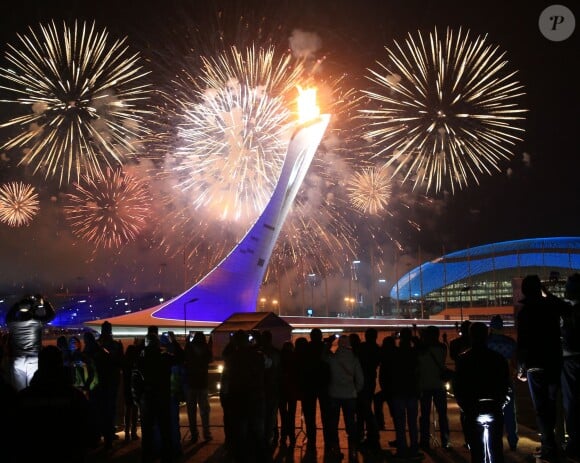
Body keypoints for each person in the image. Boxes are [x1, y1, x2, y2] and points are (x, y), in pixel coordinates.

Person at [15, 345, 96, 463]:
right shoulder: (75, 396)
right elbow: (91, 434)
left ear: (40, 364)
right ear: (61, 364)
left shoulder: (23, 397)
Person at [517, 274, 566, 462]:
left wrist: (521, 368)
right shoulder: (550, 308)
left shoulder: (525, 312)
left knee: (541, 408)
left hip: (535, 364)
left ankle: (548, 446)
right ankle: (553, 443)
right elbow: (566, 308)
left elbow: (522, 343)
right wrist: (548, 294)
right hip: (553, 361)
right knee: (553, 405)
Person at [454, 322, 510, 463]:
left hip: (473, 408)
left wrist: (464, 406)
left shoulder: (463, 359)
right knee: (496, 449)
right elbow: (506, 384)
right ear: (487, 336)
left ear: (471, 336)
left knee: (477, 452)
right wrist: (502, 401)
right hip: (494, 406)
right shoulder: (498, 358)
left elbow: (458, 386)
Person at [324, 334, 364, 462]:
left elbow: (323, 359)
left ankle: (336, 450)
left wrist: (328, 344)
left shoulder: (332, 358)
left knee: (333, 423)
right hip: (350, 395)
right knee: (350, 423)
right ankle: (352, 450)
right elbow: (360, 380)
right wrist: (355, 390)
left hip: (334, 395)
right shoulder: (354, 358)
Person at [6, 294, 55, 391]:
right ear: (32, 311)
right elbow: (51, 315)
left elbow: (8, 316)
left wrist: (18, 304)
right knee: (33, 388)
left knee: (19, 390)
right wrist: (44, 302)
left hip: (18, 359)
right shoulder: (37, 322)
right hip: (34, 358)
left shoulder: (13, 323)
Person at [486, 315, 519, 451]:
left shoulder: (486, 343)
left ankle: (494, 441)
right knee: (510, 411)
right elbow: (515, 362)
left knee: (493, 412)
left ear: (491, 328)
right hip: (506, 380)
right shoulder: (510, 342)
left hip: (490, 381)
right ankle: (512, 440)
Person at [389, 327, 421, 459]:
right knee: (413, 423)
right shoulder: (414, 352)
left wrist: (393, 338)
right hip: (412, 390)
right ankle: (414, 448)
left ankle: (402, 449)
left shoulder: (395, 352)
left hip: (398, 391)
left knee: (400, 423)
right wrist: (416, 338)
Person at [417, 325, 451, 450]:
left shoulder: (421, 349)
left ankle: (424, 440)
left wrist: (421, 338)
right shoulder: (442, 348)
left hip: (425, 385)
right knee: (442, 415)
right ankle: (445, 440)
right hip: (438, 385)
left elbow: (419, 355)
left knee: (424, 416)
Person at [560, 273, 580, 459]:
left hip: (571, 361)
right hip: (571, 360)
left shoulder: (570, 311)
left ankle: (574, 443)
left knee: (572, 403)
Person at [184, 331, 213, 443]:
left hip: (191, 383)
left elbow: (184, 359)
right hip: (203, 384)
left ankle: (194, 434)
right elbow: (210, 359)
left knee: (191, 411)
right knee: (204, 411)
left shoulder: (189, 348)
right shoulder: (206, 349)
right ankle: (206, 433)